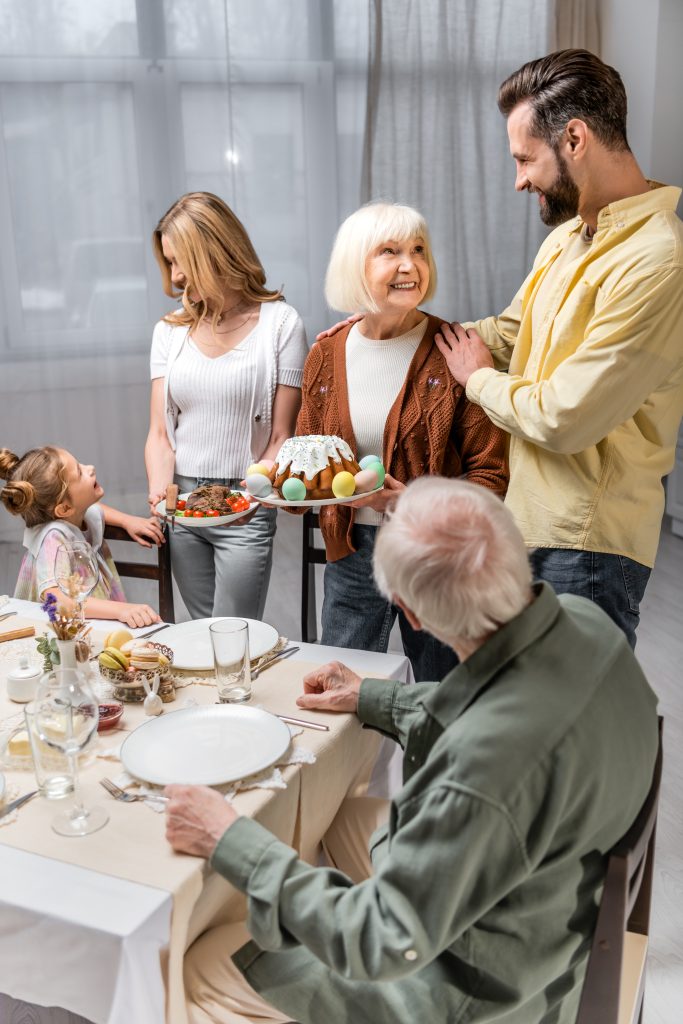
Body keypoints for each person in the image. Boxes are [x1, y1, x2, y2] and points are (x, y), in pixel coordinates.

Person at [165, 477, 659, 1024]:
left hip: (487, 990)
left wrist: (231, 839)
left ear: (411, 614)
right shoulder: (585, 622)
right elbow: (496, 703)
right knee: (337, 815)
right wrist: (372, 696)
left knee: (202, 962)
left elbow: (381, 940)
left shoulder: (483, 768)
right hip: (555, 895)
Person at [430, 48, 683, 648]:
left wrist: (477, 380)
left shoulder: (657, 260)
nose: (519, 180)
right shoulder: (568, 237)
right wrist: (406, 327)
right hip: (528, 521)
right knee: (526, 701)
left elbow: (566, 417)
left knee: (572, 707)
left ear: (574, 138)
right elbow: (510, 332)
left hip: (588, 545)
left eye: (525, 159)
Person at [296, 201, 508, 682]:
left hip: (436, 554)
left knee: (443, 695)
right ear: (355, 265)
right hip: (352, 552)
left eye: (418, 250)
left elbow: (492, 475)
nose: (409, 265)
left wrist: (409, 501)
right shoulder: (326, 353)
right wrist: (289, 489)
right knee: (341, 694)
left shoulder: (455, 351)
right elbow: (306, 460)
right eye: (389, 252)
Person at [145, 192, 308, 620]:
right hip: (183, 504)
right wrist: (161, 496)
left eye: (182, 261)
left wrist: (249, 498)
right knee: (203, 631)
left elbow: (282, 435)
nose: (176, 277)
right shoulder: (169, 332)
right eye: (169, 263)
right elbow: (160, 434)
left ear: (215, 250)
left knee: (235, 632)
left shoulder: (281, 325)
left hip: (245, 505)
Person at [0, 445, 163, 626]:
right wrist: (121, 610)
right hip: (61, 632)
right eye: (79, 472)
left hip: (90, 621)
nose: (90, 468)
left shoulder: (76, 513)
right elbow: (55, 599)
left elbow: (96, 510)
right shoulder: (53, 538)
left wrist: (127, 520)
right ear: (64, 509)